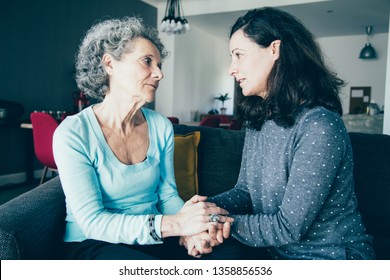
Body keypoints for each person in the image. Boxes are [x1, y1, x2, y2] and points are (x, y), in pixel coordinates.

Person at [180, 7, 375, 260]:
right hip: (275, 254)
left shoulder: (319, 125)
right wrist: (200, 214)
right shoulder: (260, 119)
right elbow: (245, 192)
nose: (231, 68)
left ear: (274, 49)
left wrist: (213, 221)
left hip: (330, 258)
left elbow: (288, 226)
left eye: (238, 55)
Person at [53, 17, 232, 260]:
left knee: (230, 255)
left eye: (159, 65)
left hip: (155, 236)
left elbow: (167, 196)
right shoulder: (73, 133)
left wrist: (192, 234)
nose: (159, 74)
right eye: (147, 61)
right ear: (109, 64)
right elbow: (93, 222)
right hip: (94, 243)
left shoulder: (160, 126)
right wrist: (177, 226)